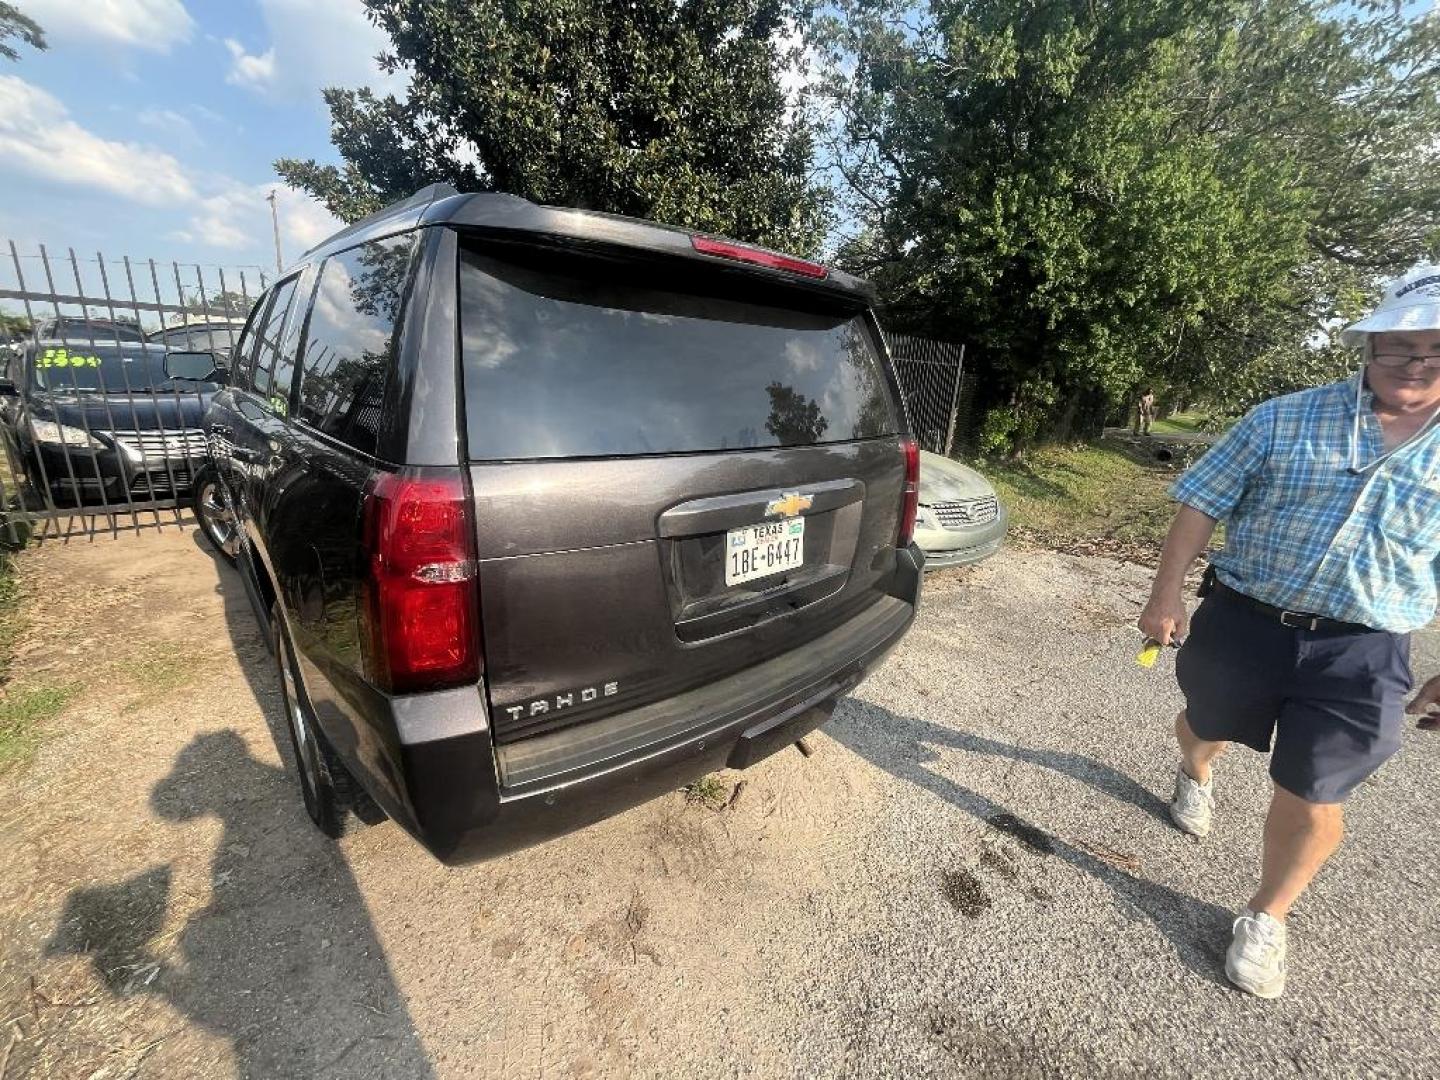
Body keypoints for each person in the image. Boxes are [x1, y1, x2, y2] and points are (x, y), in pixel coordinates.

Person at [1138, 262, 1440, 999]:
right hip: (1245, 620)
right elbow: (1201, 501)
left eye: (1436, 351)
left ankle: (1268, 914)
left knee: (1315, 791)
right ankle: (1195, 769)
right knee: (1205, 721)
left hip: (1363, 651)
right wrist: (1166, 592)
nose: (1416, 364)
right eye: (1401, 346)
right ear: (1367, 346)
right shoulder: (1283, 416)